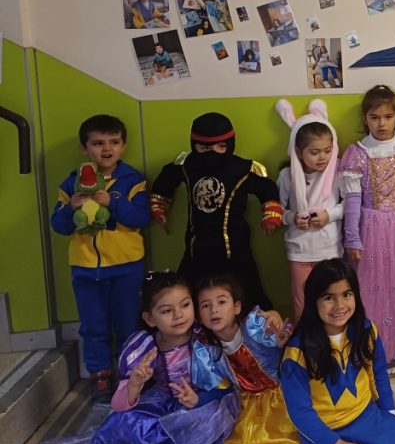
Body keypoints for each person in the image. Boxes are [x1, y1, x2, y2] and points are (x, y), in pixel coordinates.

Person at [39, 271, 238, 444]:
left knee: (201, 425)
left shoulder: (204, 337)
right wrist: (134, 384)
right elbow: (118, 405)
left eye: (185, 305)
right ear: (150, 318)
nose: (178, 315)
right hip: (163, 403)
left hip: (203, 403)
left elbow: (225, 388)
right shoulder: (144, 347)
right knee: (120, 425)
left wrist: (197, 400)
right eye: (166, 311)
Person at [280, 259, 395, 444]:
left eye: (346, 294)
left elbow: (379, 374)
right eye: (328, 297)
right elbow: (300, 413)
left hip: (366, 416)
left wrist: (389, 413)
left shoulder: (366, 331)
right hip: (326, 430)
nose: (339, 305)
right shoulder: (297, 353)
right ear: (313, 301)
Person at [50, 115, 149, 401]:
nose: (106, 149)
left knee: (128, 323)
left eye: (114, 142)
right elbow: (59, 225)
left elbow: (141, 217)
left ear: (123, 146)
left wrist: (113, 202)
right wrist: (70, 207)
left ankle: (130, 373)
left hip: (126, 267)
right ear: (83, 148)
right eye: (97, 143)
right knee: (93, 325)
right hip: (85, 268)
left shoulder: (133, 180)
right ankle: (100, 374)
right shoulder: (72, 182)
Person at [150, 113, 283, 311]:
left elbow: (267, 189)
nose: (212, 154)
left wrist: (271, 216)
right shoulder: (188, 165)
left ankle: (255, 329)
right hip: (196, 250)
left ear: (230, 144)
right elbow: (166, 180)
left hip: (235, 252)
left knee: (249, 297)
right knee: (184, 298)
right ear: (194, 145)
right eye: (204, 148)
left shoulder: (242, 168)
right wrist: (158, 208)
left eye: (221, 147)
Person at [340, 85, 395, 373]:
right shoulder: (357, 154)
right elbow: (352, 201)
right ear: (365, 118)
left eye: (388, 117)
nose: (382, 123)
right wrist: (352, 237)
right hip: (372, 230)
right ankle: (376, 350)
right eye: (375, 117)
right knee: (373, 288)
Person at [193, 276, 302, 444]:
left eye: (221, 302)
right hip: (248, 404)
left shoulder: (253, 326)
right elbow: (215, 385)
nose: (214, 310)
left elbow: (280, 334)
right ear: (199, 315)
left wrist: (280, 338)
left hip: (283, 396)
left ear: (236, 307)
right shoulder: (206, 351)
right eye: (205, 305)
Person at [275, 99, 344, 317]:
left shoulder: (338, 171)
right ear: (298, 151)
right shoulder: (287, 176)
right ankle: (305, 337)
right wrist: (292, 217)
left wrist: (329, 216)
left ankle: (332, 335)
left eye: (327, 151)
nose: (322, 157)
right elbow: (277, 209)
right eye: (314, 152)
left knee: (333, 301)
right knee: (302, 303)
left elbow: (349, 204)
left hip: (330, 250)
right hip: (299, 252)